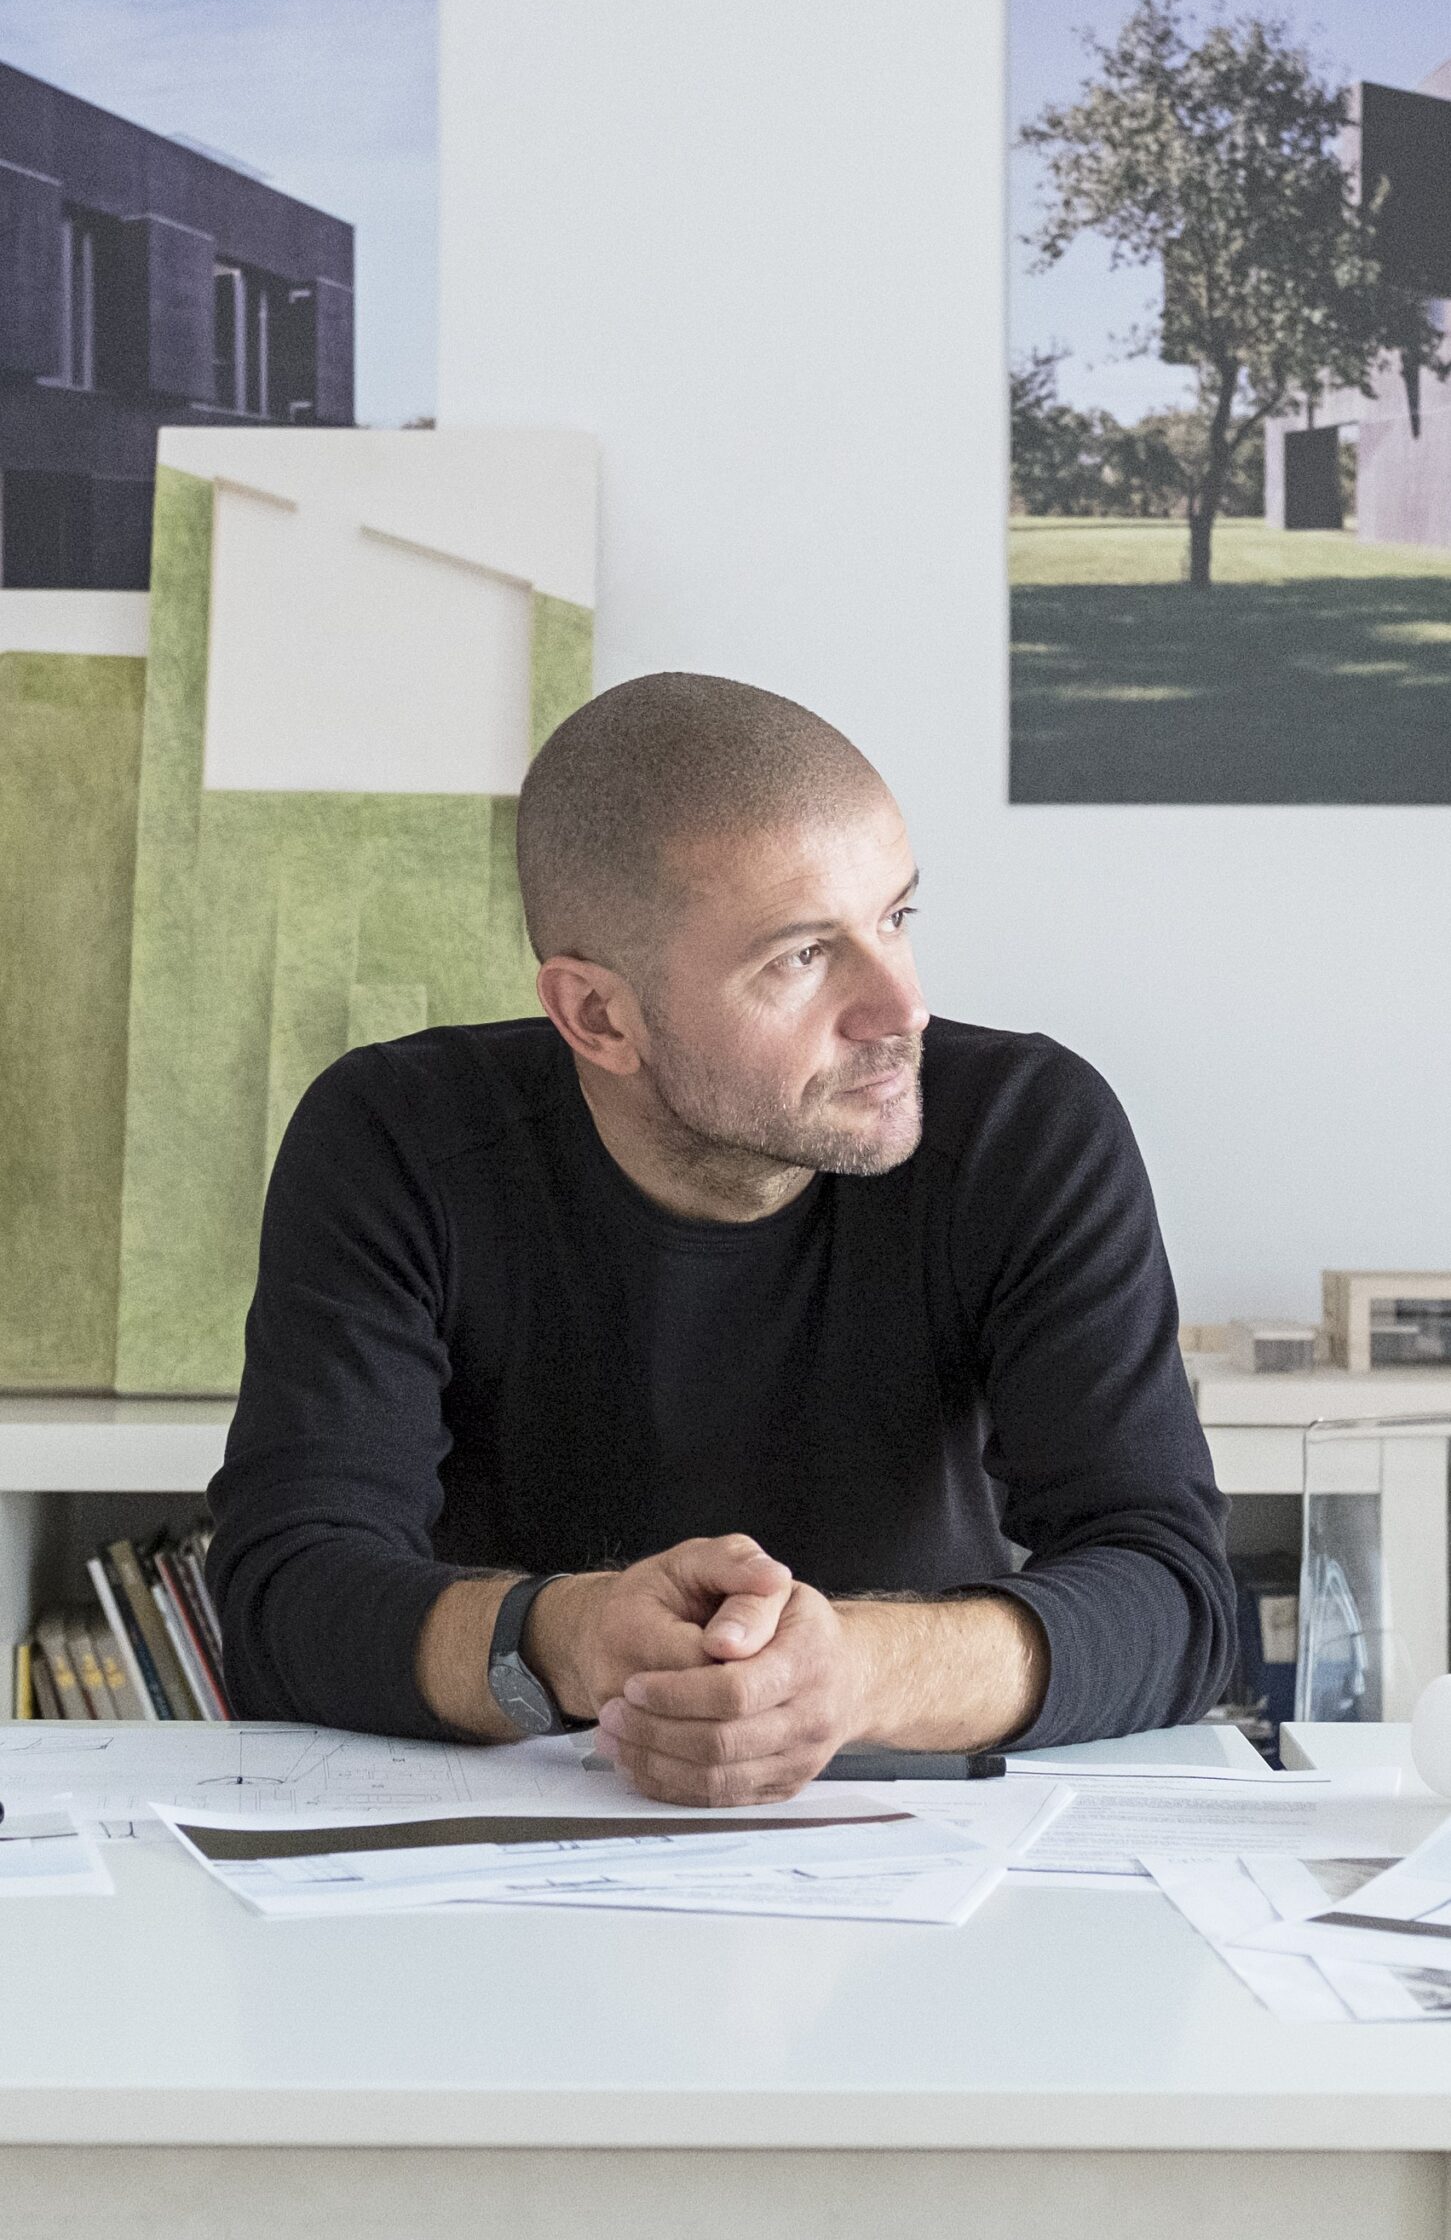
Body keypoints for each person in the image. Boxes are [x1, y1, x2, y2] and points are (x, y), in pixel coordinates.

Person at [206, 672, 1234, 1805]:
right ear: (598, 1015)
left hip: (918, 1823)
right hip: (509, 1825)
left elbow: (1175, 1593)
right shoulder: (398, 1138)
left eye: (894, 919)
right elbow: (282, 1597)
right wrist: (570, 1640)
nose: (900, 1010)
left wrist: (855, 1673)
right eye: (801, 956)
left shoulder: (1023, 1129)